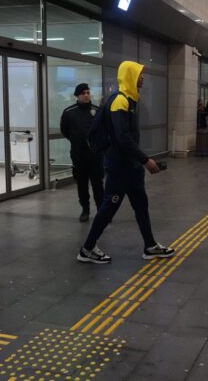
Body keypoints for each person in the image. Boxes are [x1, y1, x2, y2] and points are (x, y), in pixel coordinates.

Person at [77, 61, 173, 264]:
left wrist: (139, 162)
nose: (143, 77)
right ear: (129, 75)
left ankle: (150, 245)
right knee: (108, 208)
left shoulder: (130, 100)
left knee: (141, 206)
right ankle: (87, 249)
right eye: (139, 73)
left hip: (131, 167)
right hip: (120, 168)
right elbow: (122, 138)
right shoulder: (120, 101)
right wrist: (145, 160)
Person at [61, 83, 104, 222]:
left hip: (95, 155)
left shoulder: (97, 111)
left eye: (88, 92)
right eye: (83, 93)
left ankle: (101, 210)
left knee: (98, 184)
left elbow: (103, 131)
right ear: (77, 95)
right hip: (79, 155)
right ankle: (85, 209)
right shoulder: (69, 112)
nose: (86, 95)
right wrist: (77, 141)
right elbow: (65, 131)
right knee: (82, 184)